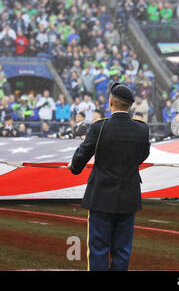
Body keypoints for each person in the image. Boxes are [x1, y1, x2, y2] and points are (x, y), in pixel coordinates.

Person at [69, 82, 150, 271]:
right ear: (129, 105)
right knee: (122, 249)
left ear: (111, 102)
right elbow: (142, 156)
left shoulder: (99, 127)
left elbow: (81, 156)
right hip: (128, 195)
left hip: (101, 196)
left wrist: (73, 167)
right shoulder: (141, 129)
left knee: (98, 249)